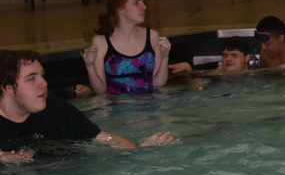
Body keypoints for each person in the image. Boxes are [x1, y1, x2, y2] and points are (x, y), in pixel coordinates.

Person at [0, 50, 173, 163]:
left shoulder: (54, 107)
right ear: (7, 87)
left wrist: (139, 152)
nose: (43, 83)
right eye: (31, 78)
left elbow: (105, 139)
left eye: (42, 76)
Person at [81, 0, 170, 95]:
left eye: (143, 2)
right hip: (117, 108)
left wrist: (165, 57)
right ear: (120, 7)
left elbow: (158, 84)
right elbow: (101, 91)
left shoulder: (152, 36)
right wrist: (89, 67)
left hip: (149, 106)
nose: (144, 7)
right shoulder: (101, 41)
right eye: (136, 2)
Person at [168, 36, 285, 78]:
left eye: (234, 55)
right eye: (224, 55)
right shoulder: (216, 74)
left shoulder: (256, 75)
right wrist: (189, 70)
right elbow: (197, 76)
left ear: (246, 58)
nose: (228, 60)